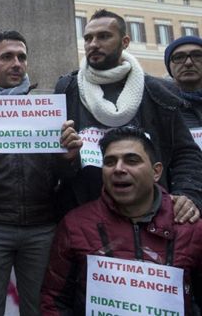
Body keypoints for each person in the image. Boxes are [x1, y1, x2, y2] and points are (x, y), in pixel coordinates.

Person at [0, 31, 82, 316]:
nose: (17, 63)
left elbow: (63, 174)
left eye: (21, 57)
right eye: (7, 57)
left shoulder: (47, 110)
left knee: (38, 308)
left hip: (41, 227)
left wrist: (70, 158)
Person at [55, 9, 202, 220]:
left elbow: (185, 153)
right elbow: (53, 164)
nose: (93, 44)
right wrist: (65, 160)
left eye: (104, 36)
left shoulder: (157, 92)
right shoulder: (67, 88)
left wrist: (188, 195)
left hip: (150, 217)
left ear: (125, 42)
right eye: (88, 38)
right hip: (85, 216)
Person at [40, 126, 202, 315]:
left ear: (156, 172)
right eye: (109, 162)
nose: (118, 169)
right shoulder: (75, 226)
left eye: (131, 161)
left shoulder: (190, 228)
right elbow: (54, 301)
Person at [163, 35, 202, 128]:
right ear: (169, 66)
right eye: (179, 57)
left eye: (197, 55)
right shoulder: (156, 107)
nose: (188, 62)